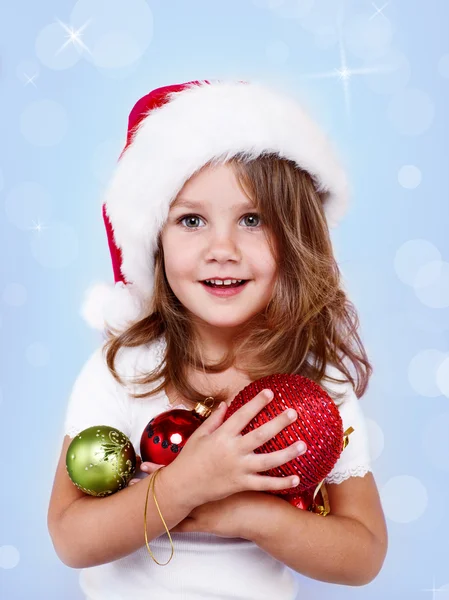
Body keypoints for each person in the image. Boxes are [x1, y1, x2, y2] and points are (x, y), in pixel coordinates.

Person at [47, 79, 388, 600]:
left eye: (252, 220)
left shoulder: (317, 380)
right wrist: (184, 486)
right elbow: (71, 538)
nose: (221, 248)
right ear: (155, 242)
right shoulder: (125, 367)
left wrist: (246, 515)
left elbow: (362, 553)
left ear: (295, 237)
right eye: (191, 220)